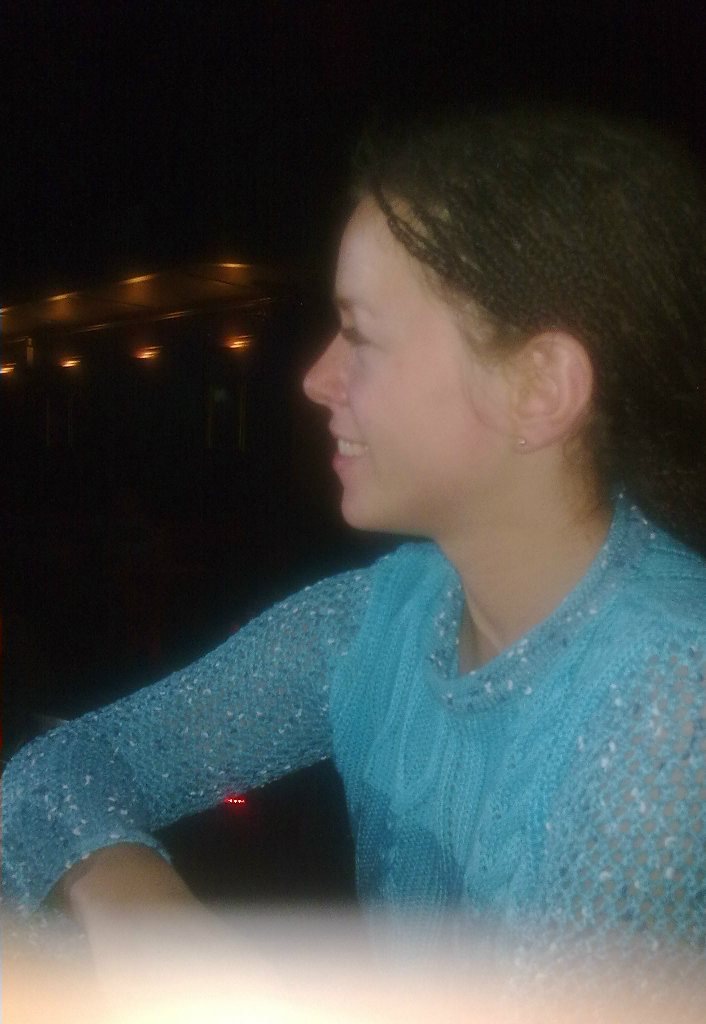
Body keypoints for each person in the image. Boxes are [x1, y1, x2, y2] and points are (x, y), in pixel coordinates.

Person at [3, 107, 706, 970]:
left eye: (361, 335)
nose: (314, 376)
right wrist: (138, 902)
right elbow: (58, 769)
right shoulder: (380, 621)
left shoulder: (675, 697)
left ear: (539, 388)